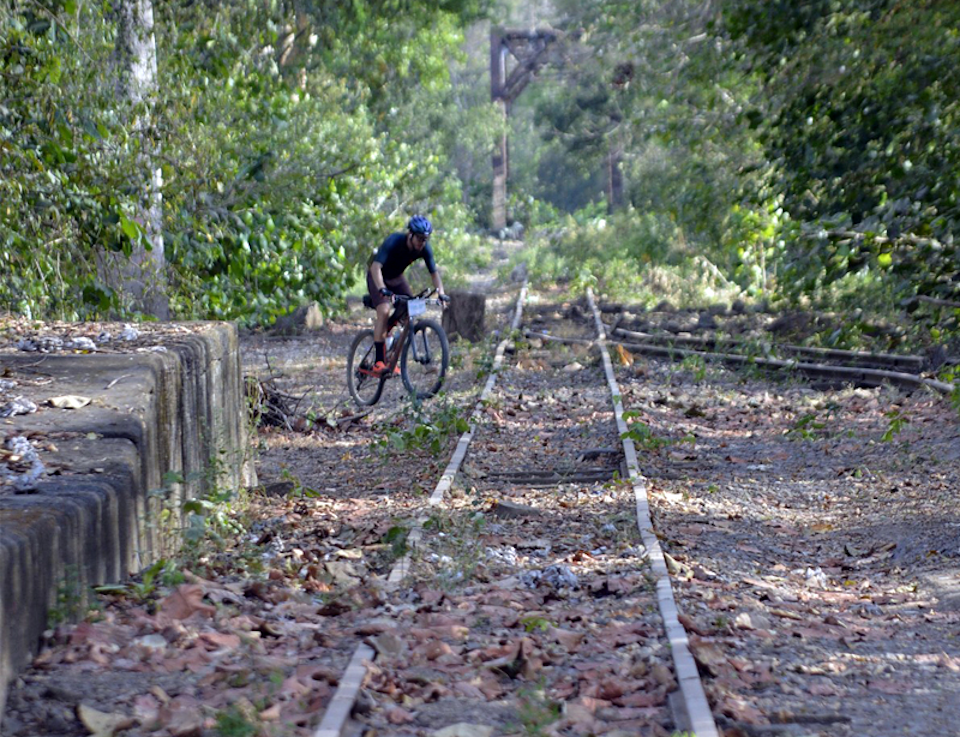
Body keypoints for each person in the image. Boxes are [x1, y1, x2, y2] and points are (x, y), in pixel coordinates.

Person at [366, 215, 446, 375]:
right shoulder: (394, 241)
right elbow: (375, 267)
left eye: (425, 239)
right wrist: (382, 289)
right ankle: (379, 362)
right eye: (419, 238)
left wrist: (441, 294)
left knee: (412, 313)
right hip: (378, 276)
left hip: (397, 279)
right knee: (384, 310)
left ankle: (392, 355)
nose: (421, 242)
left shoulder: (424, 248)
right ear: (410, 234)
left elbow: (434, 273)